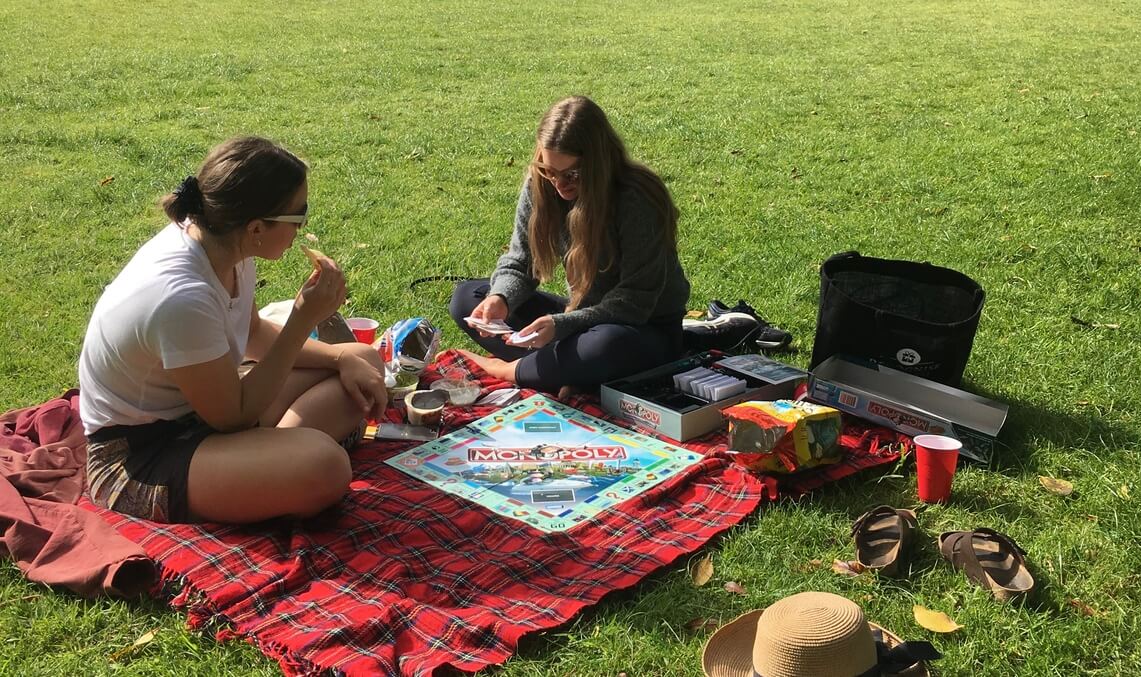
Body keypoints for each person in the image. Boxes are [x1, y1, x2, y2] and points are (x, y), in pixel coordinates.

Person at [78, 136, 388, 525]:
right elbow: (234, 417)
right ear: (256, 227)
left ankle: (271, 463)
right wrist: (303, 320)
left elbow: (254, 333)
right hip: (143, 456)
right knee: (327, 467)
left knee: (361, 366)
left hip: (204, 415)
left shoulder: (227, 245)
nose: (302, 229)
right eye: (299, 217)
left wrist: (343, 356)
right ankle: (281, 463)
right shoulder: (181, 297)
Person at [449, 96, 690, 395]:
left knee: (604, 346)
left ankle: (511, 370)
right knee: (467, 299)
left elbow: (636, 301)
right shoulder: (541, 184)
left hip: (644, 329)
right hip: (578, 317)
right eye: (548, 170)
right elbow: (520, 262)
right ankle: (563, 370)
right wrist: (501, 299)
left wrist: (563, 324)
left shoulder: (635, 198)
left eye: (572, 175)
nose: (558, 184)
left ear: (599, 163)